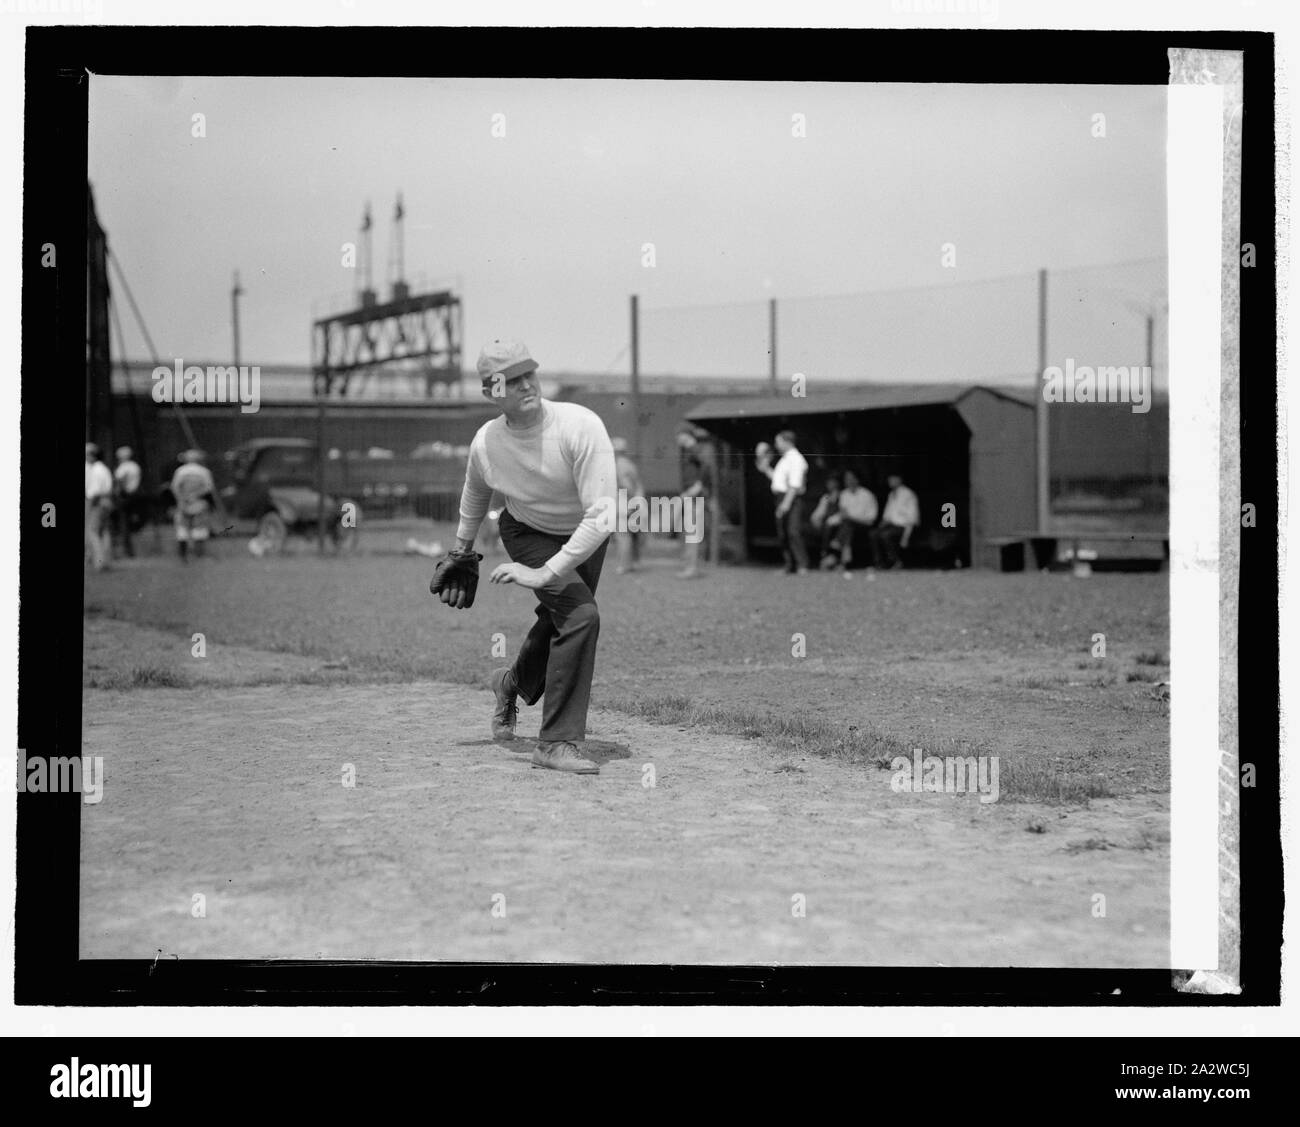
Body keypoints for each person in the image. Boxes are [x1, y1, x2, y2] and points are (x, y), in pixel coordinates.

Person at [451, 338, 618, 776]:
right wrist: (461, 550)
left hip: (584, 534)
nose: (526, 385)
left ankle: (508, 685)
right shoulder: (487, 442)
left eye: (530, 374)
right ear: (492, 393)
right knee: (581, 616)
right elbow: (476, 490)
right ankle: (556, 743)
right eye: (512, 380)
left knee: (561, 618)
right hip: (526, 530)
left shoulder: (581, 426)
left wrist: (546, 573)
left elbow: (603, 516)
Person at [758, 430, 809, 574]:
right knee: (784, 533)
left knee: (793, 531)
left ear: (787, 442)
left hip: (791, 499)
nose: (776, 445)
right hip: (782, 497)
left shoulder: (796, 459)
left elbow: (794, 485)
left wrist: (786, 504)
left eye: (778, 441)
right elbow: (778, 481)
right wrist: (766, 469)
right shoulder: (784, 460)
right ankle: (790, 565)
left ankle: (802, 565)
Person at [676, 429, 715, 579]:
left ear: (686, 435)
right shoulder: (687, 451)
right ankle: (689, 566)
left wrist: (698, 485)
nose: (677, 439)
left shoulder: (695, 450)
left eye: (678, 435)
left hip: (694, 496)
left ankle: (692, 568)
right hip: (688, 495)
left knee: (692, 532)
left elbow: (707, 466)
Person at [170, 449, 216, 562]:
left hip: (183, 503)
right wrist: (195, 495)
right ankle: (199, 554)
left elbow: (175, 487)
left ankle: (183, 555)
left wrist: (182, 498)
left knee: (182, 528)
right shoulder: (204, 471)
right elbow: (209, 487)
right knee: (199, 528)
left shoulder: (180, 471)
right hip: (199, 502)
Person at [873, 472, 920, 569]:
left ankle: (895, 561)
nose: (890, 481)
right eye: (889, 479)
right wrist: (883, 522)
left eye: (893, 479)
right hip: (891, 525)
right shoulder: (891, 494)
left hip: (905, 526)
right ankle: (880, 563)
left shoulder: (908, 494)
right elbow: (887, 515)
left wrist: (906, 536)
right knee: (873, 534)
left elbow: (913, 517)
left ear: (899, 480)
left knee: (886, 535)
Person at [611, 436, 644, 575]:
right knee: (629, 535)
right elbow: (638, 485)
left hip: (623, 502)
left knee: (622, 535)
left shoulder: (619, 464)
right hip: (632, 503)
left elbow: (626, 485)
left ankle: (623, 565)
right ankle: (630, 563)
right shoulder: (630, 464)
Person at [837, 469, 879, 573]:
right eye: (846, 479)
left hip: (865, 525)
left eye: (851, 478)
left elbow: (871, 518)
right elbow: (843, 513)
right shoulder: (844, 494)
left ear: (857, 480)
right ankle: (845, 556)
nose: (848, 481)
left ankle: (839, 547)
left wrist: (853, 518)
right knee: (847, 526)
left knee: (848, 525)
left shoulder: (867, 495)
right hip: (849, 525)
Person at [84, 442, 114, 571]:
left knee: (93, 532)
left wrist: (89, 507)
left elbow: (94, 492)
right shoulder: (103, 468)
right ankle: (106, 561)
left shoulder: (95, 470)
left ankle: (99, 563)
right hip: (107, 501)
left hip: (97, 502)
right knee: (104, 531)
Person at [112, 445, 143, 559]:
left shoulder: (123, 467)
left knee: (123, 523)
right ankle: (130, 550)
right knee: (129, 522)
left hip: (124, 496)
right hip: (134, 495)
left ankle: (126, 550)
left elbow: (121, 481)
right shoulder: (135, 466)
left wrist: (118, 493)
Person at [809, 475, 844, 568]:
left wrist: (833, 520)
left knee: (830, 529)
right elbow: (819, 512)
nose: (829, 484)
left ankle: (828, 555)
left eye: (832, 482)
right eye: (828, 482)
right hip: (827, 524)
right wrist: (815, 518)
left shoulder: (843, 495)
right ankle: (825, 556)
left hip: (840, 523)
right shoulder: (826, 497)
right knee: (823, 528)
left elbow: (844, 512)